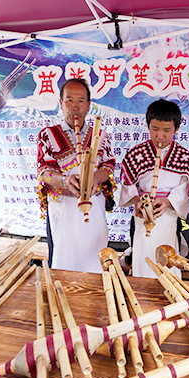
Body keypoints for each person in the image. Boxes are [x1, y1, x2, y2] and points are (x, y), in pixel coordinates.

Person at [36, 78, 116, 273]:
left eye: (80, 101)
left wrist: (96, 178)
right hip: (63, 209)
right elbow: (43, 173)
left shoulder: (101, 136)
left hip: (94, 208)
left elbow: (109, 168)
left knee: (95, 262)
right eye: (69, 100)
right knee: (64, 265)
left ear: (89, 106)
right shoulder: (47, 135)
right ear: (61, 104)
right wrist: (64, 180)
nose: (75, 107)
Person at [119, 99, 189, 278]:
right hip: (142, 217)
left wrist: (168, 201)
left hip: (168, 217)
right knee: (143, 259)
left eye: (167, 130)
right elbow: (127, 185)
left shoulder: (184, 157)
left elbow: (186, 187)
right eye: (155, 129)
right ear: (148, 126)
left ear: (176, 129)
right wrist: (138, 202)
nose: (160, 135)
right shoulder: (135, 154)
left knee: (168, 262)